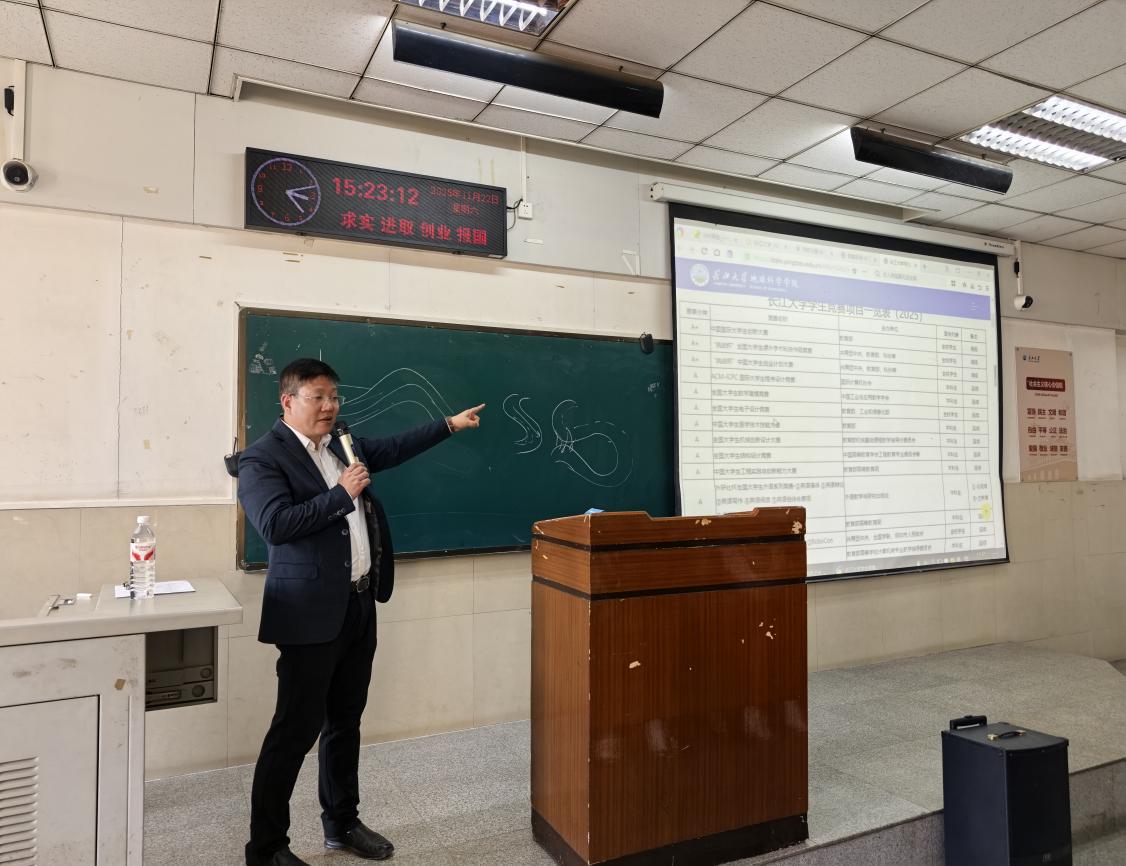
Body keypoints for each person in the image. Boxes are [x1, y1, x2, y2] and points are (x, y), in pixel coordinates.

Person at [238, 357, 484, 866]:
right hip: (308, 614)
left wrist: (449, 424)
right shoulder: (262, 458)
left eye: (334, 397)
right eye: (318, 398)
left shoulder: (340, 444)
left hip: (357, 604)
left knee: (345, 721)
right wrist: (341, 494)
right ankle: (266, 848)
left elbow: (392, 448)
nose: (329, 407)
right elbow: (276, 525)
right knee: (293, 732)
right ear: (288, 401)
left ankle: (342, 823)